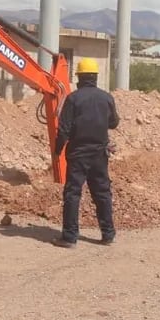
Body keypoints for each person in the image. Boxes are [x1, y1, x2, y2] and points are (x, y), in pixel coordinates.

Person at [52, 57, 120, 248]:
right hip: (100, 154)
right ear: (96, 77)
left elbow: (63, 130)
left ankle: (70, 237)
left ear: (79, 78)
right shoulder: (106, 98)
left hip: (78, 155)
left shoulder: (73, 99)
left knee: (73, 194)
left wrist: (57, 151)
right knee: (102, 193)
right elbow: (114, 123)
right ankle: (108, 235)